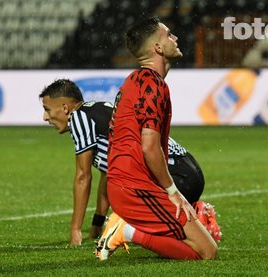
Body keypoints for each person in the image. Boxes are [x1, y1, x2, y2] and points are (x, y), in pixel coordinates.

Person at [39, 79, 220, 246]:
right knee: (122, 189)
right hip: (188, 170)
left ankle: (196, 222)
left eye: (47, 110)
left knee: (128, 211)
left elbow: (82, 177)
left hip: (174, 175)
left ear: (64, 108)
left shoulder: (78, 117)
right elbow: (108, 174)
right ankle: (195, 212)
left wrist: (75, 231)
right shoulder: (97, 110)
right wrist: (97, 222)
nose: (45, 118)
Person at [97, 16, 217, 261]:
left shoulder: (137, 80)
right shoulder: (151, 85)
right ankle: (125, 231)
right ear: (158, 48)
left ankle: (129, 229)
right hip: (134, 187)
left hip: (128, 183)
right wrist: (173, 191)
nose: (176, 38)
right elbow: (150, 146)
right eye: (169, 34)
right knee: (207, 252)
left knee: (199, 244)